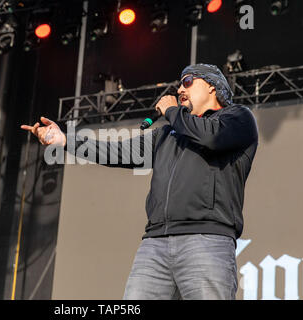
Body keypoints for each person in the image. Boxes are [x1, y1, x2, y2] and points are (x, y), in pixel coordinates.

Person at [21, 63, 258, 300]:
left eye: (187, 82)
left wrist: (173, 112)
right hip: (155, 244)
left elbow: (210, 137)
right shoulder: (166, 135)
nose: (179, 90)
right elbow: (116, 152)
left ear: (212, 87)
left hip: (206, 240)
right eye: (178, 85)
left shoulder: (237, 118)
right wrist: (65, 141)